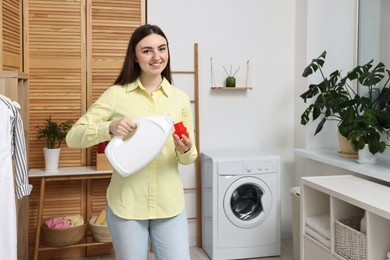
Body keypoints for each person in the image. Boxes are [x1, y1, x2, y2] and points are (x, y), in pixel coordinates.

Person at [66, 24, 198, 260]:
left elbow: (190, 156)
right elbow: (73, 136)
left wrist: (186, 149)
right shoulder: (116, 94)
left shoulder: (179, 99)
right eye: (147, 51)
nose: (157, 57)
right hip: (127, 206)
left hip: (170, 206)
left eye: (162, 49)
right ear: (135, 57)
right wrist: (108, 127)